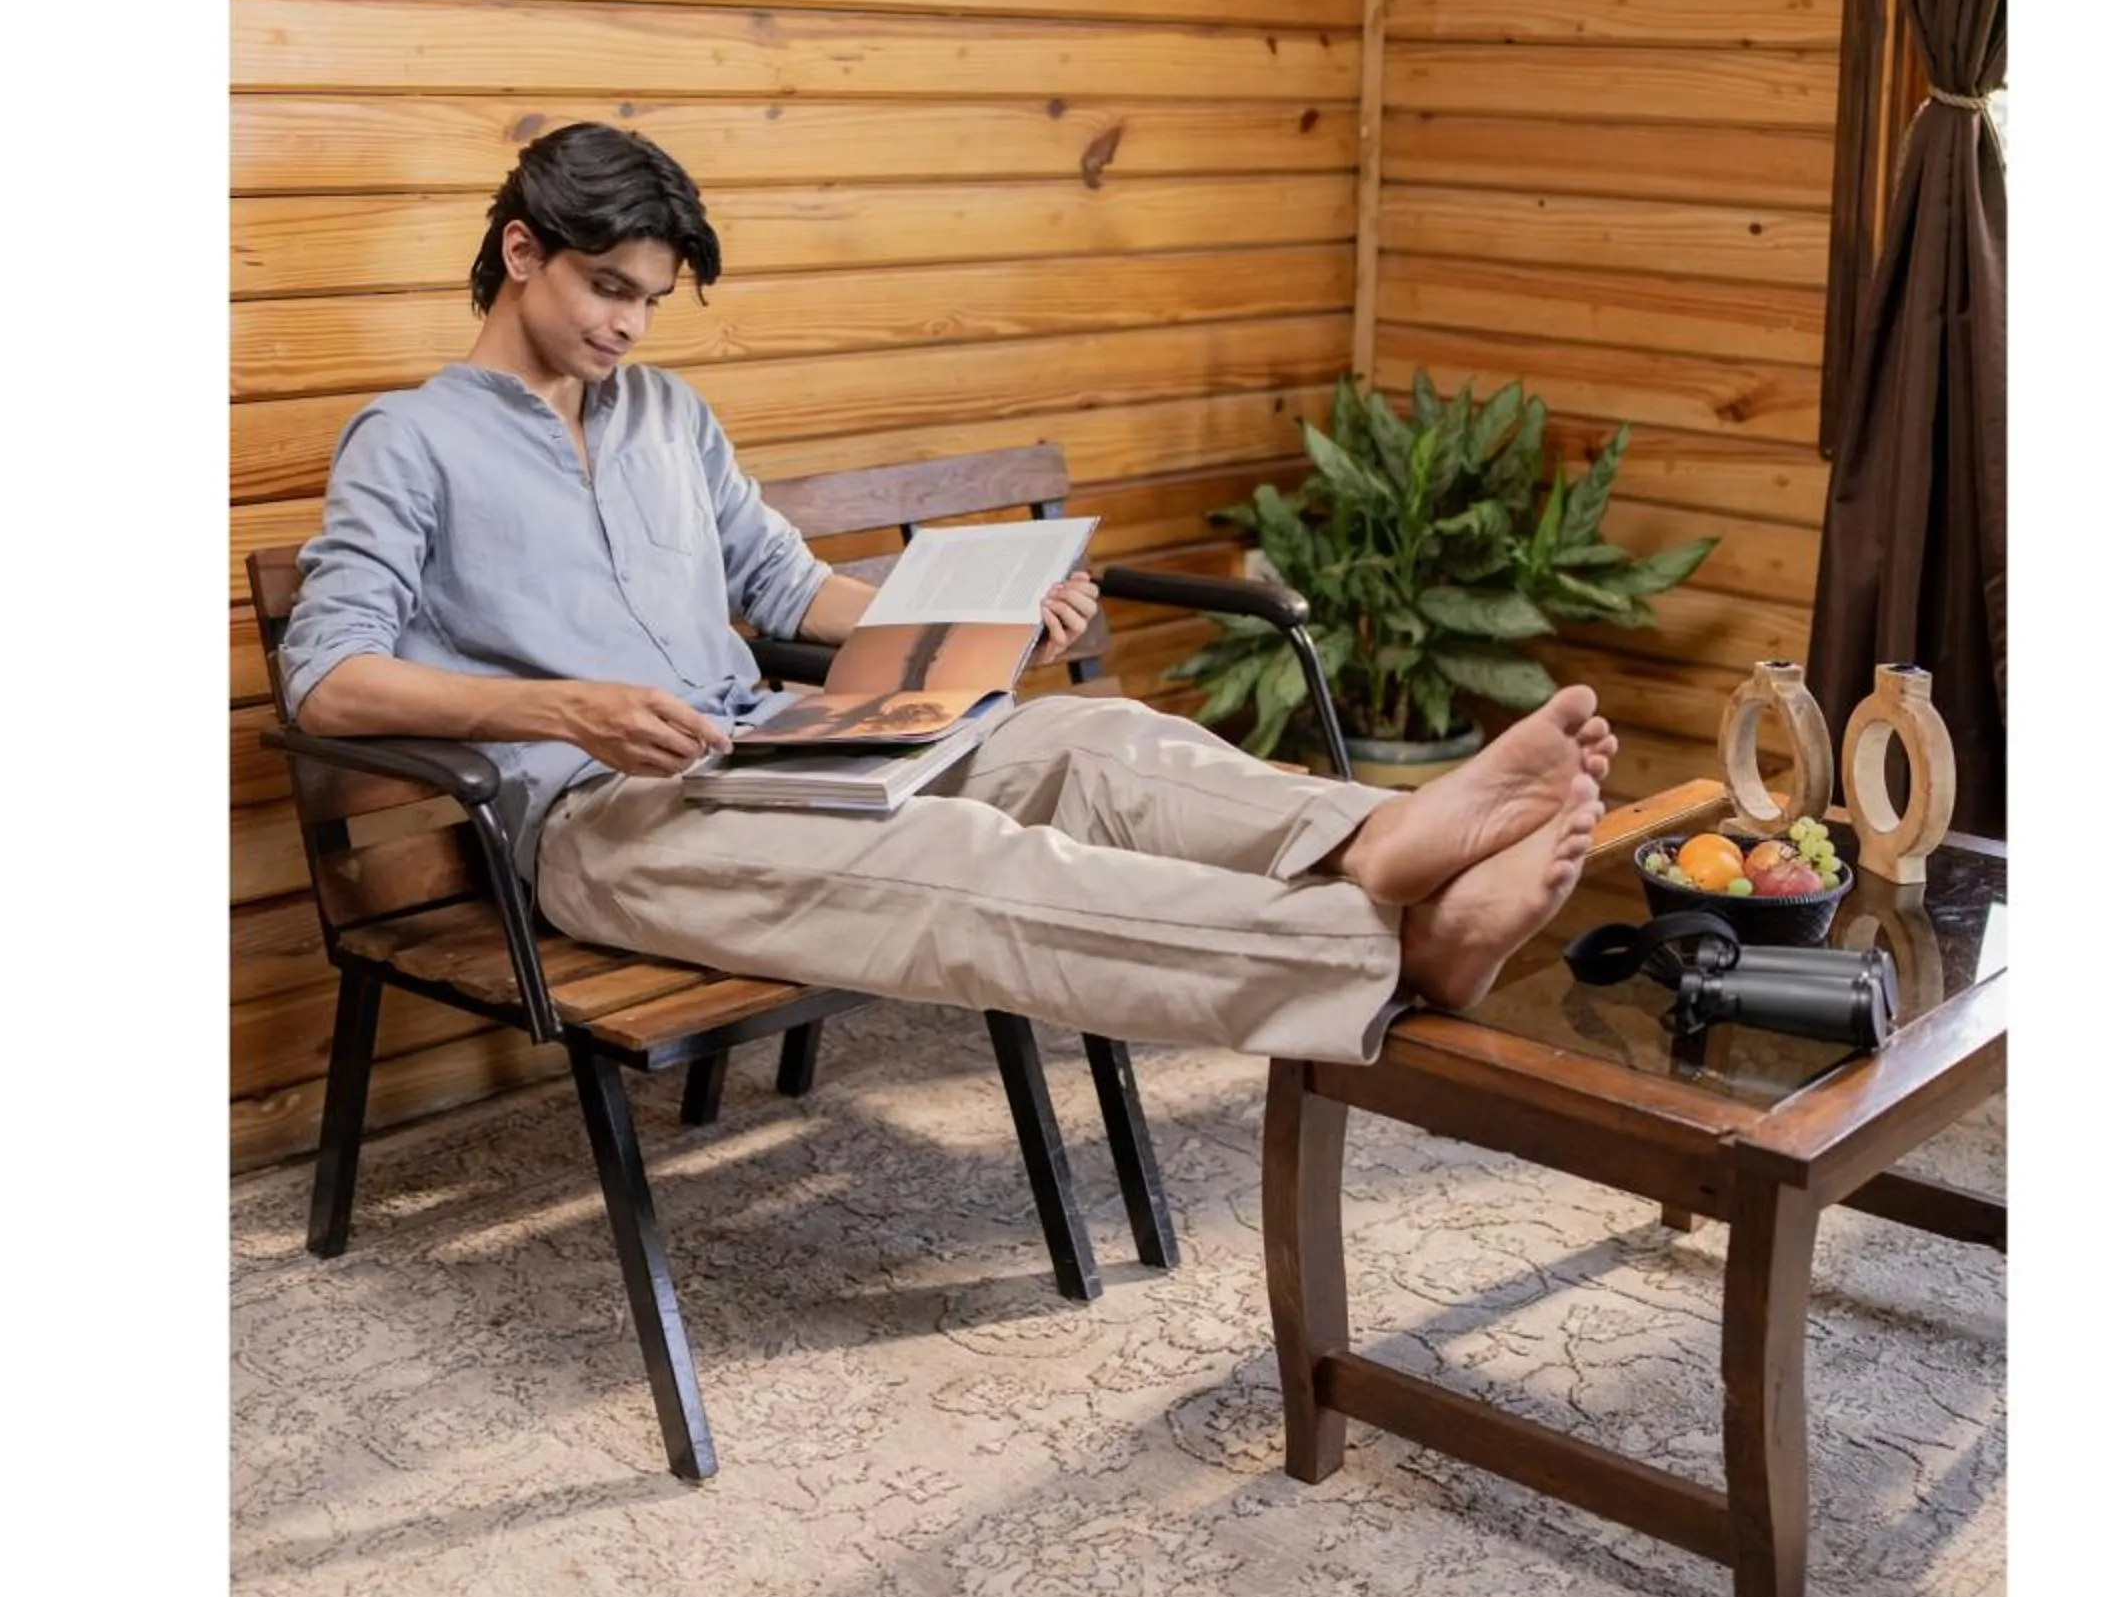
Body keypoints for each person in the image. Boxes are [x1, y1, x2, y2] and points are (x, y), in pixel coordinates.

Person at [279, 124, 1618, 1063]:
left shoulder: (667, 416)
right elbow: (327, 676)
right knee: (962, 860)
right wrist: (564, 708)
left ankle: (1375, 842)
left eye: (650, 299)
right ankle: (1385, 953)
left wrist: (980, 618)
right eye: (605, 287)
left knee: (1089, 739)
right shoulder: (409, 441)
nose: (629, 324)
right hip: (603, 823)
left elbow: (788, 588)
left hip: (770, 746)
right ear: (521, 250)